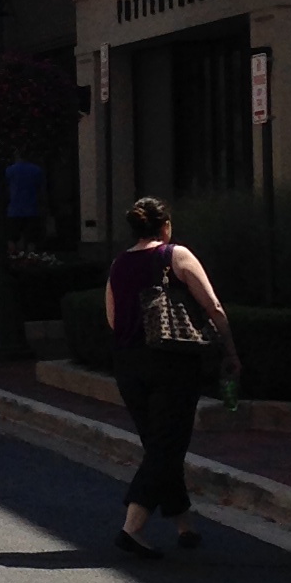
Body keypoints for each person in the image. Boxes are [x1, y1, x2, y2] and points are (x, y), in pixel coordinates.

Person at [105, 192, 237, 558]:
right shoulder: (176, 255)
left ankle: (184, 526)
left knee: (159, 445)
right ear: (165, 226)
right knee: (168, 446)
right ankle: (132, 528)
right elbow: (213, 305)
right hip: (172, 363)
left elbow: (113, 319)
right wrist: (229, 349)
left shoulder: (118, 264)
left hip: (128, 364)